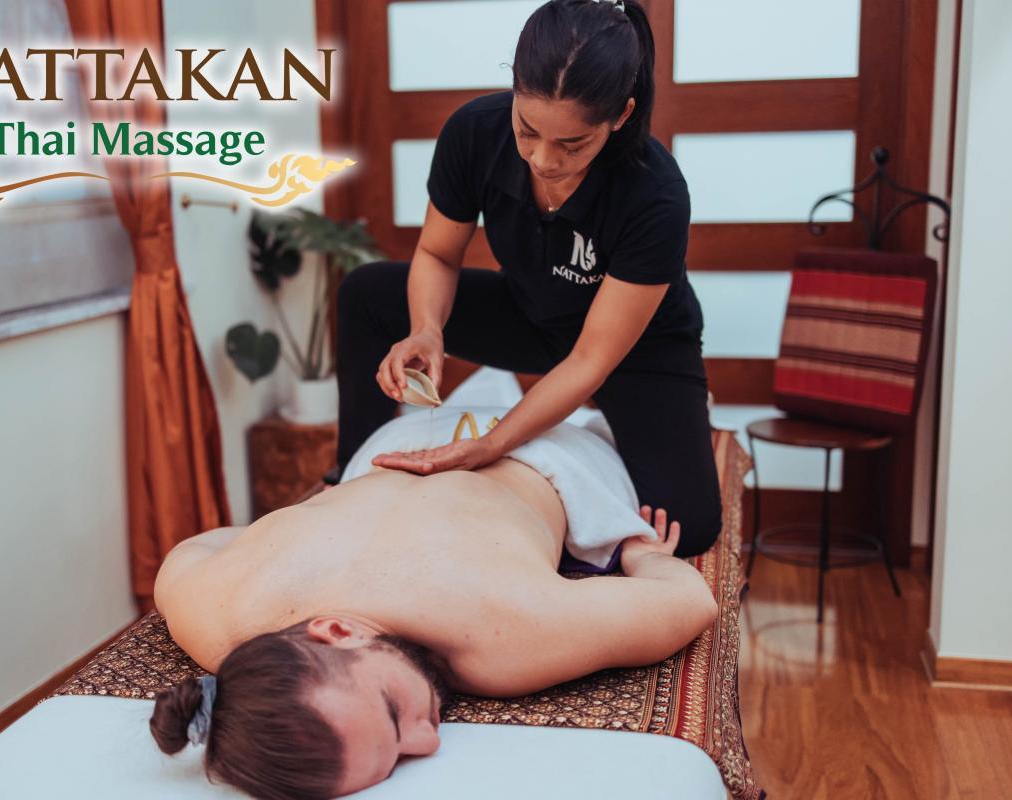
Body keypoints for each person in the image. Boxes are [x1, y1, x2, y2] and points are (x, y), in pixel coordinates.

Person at [331, 0, 723, 557]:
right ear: (513, 92)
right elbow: (439, 255)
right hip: (530, 311)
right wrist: (426, 329)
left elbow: (591, 359)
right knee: (367, 293)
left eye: (572, 144)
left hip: (635, 349)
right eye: (527, 130)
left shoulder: (654, 193)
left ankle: (618, 430)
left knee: (690, 523)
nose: (542, 159)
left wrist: (493, 445)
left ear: (621, 115)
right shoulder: (474, 132)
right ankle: (347, 467)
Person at [148, 416, 718, 799]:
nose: (428, 741)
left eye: (395, 714)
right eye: (401, 754)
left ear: (337, 629)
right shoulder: (214, 614)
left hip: (544, 453)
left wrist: (645, 556)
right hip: (396, 439)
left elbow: (690, 601)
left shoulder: (504, 638)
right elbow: (193, 551)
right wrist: (284, 536)